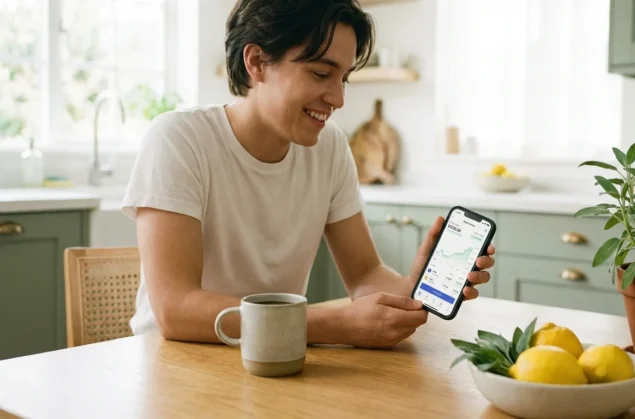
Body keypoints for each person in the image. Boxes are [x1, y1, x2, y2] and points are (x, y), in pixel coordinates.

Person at [121, 0, 496, 349]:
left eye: (344, 78)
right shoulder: (179, 139)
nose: (338, 98)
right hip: (174, 362)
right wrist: (335, 324)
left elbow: (365, 275)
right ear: (257, 62)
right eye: (320, 73)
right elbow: (176, 310)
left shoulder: (329, 147)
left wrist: (414, 286)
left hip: (277, 357)